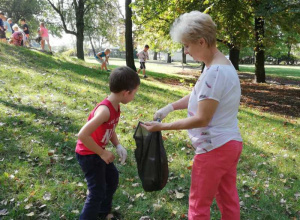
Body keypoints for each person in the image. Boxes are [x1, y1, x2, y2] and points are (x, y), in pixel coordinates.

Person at [142, 11, 243, 220]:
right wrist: (170, 107)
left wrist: (162, 127)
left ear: (202, 42)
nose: (186, 51)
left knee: (198, 205)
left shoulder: (215, 72)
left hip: (213, 149)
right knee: (227, 198)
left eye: (187, 46)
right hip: (229, 143)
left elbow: (201, 119)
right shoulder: (220, 64)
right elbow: (201, 95)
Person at [75, 66, 140, 220]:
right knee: (96, 191)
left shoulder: (115, 106)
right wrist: (102, 152)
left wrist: (117, 145)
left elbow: (109, 128)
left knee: (112, 178)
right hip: (88, 155)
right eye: (135, 93)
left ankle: (103, 213)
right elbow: (82, 135)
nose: (134, 96)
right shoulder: (105, 110)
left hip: (96, 152)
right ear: (126, 92)